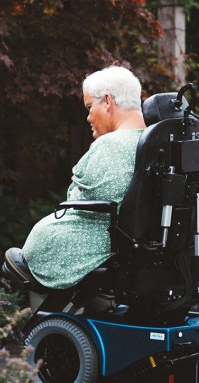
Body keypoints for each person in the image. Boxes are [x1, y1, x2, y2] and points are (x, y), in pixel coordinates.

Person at [21, 65, 146, 289]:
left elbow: (79, 196)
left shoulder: (110, 145)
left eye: (89, 107)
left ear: (107, 101)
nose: (88, 117)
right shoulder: (152, 144)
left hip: (96, 252)